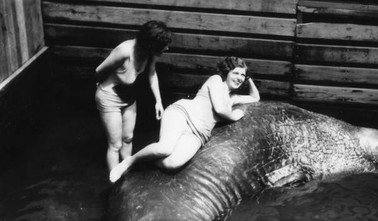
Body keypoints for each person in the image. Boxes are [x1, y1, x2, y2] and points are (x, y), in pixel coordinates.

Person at [109, 56, 260, 183]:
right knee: (165, 148)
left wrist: (249, 77)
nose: (239, 78)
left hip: (199, 133)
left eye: (242, 75)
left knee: (171, 163)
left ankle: (146, 161)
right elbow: (220, 109)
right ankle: (129, 162)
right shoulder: (215, 81)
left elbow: (255, 97)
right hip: (183, 114)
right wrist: (234, 115)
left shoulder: (233, 98)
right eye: (236, 73)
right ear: (227, 72)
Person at [95, 20, 172, 173]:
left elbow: (151, 73)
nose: (167, 48)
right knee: (115, 145)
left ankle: (126, 172)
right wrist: (101, 87)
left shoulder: (149, 54)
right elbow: (99, 70)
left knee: (128, 138)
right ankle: (115, 183)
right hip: (110, 97)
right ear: (151, 44)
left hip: (129, 96)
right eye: (164, 45)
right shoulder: (124, 51)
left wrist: (158, 101)